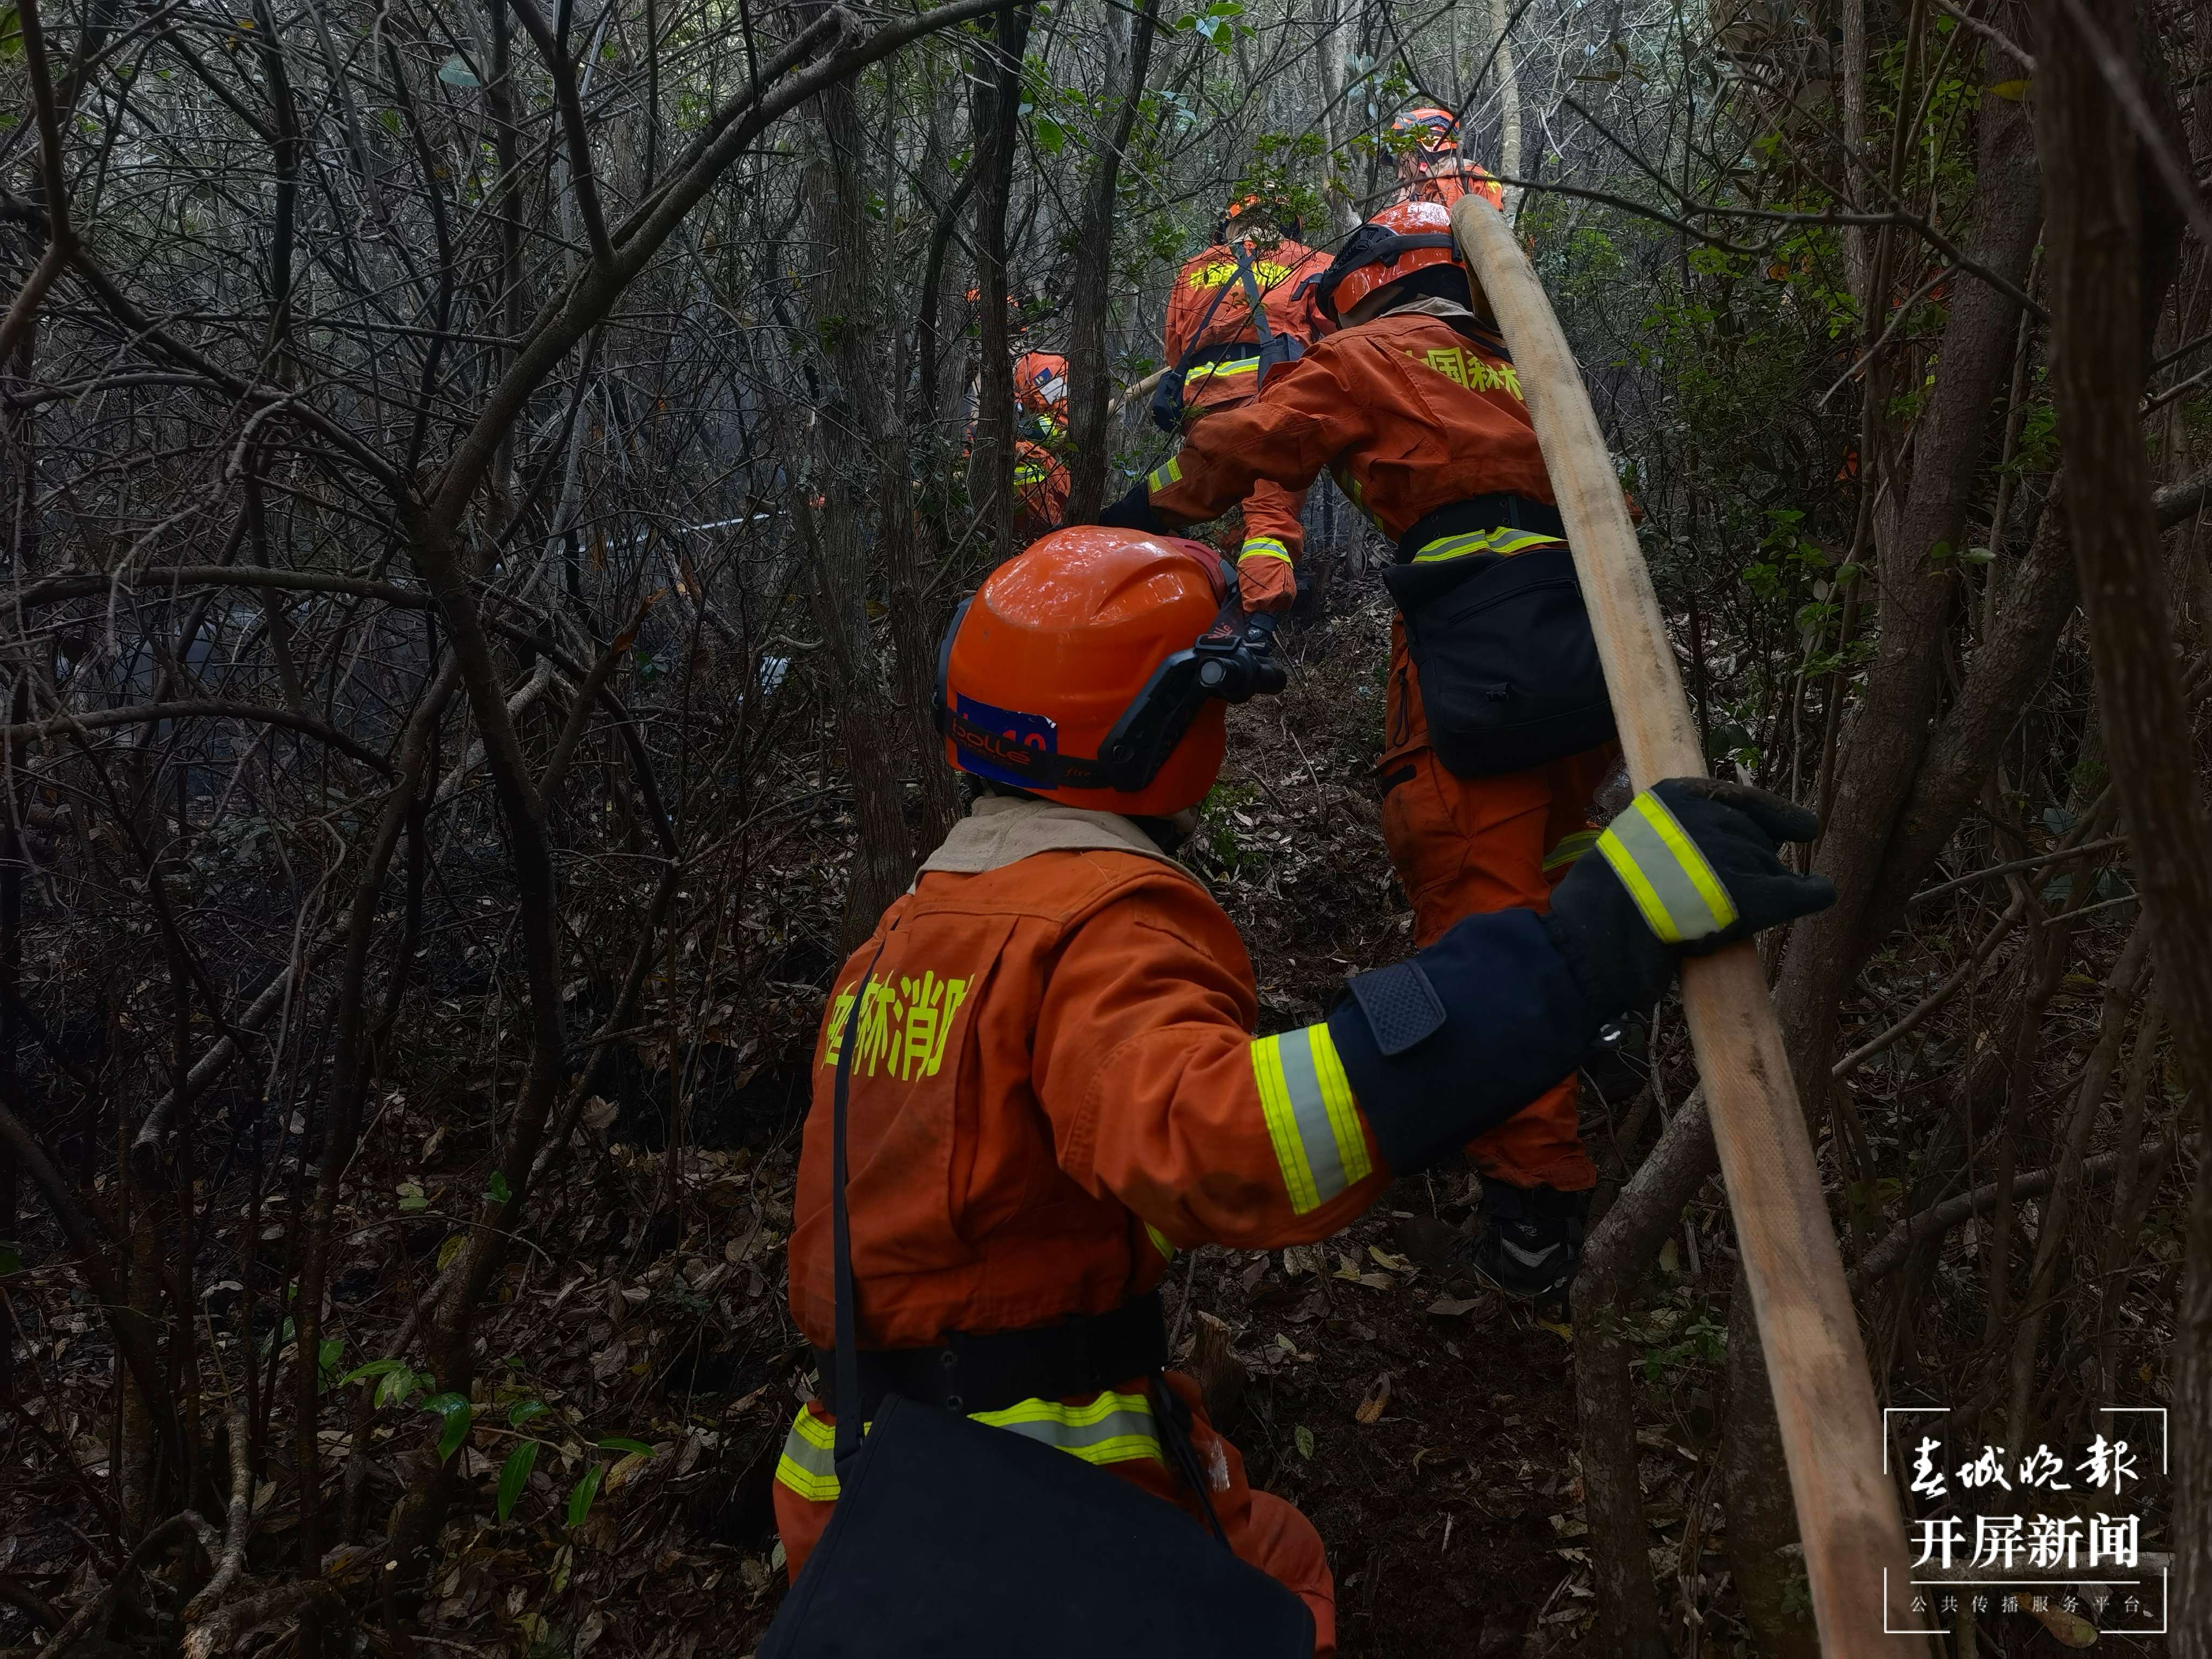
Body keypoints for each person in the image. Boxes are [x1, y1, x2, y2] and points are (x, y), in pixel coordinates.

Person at [772, 525, 1834, 1652]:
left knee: (1275, 1548)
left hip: (863, 1485)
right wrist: (1569, 954)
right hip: (1028, 1501)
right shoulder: (1090, 921)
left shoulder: (910, 932)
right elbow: (1228, 1140)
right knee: (1286, 1613)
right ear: (1160, 728)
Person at [1097, 199, 1629, 1298]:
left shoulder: (1369, 354)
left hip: (1474, 656)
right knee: (1564, 852)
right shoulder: (1525, 366)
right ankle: (1602, 1033)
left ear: (1361, 285)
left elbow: (1252, 442)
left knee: (1478, 895)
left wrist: (1135, 508)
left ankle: (1533, 1202)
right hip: (1591, 647)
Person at [1156, 194, 1331, 614]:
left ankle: (1220, 606)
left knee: (1229, 506)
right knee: (1270, 515)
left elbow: (1175, 349)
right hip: (1272, 399)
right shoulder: (1310, 262)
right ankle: (1260, 622)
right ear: (1287, 223)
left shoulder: (1194, 268)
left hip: (1203, 407)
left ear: (1230, 224)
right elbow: (1337, 334)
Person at [1389, 105, 1507, 211]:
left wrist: (1404, 210)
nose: (1400, 175)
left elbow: (1442, 227)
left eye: (1403, 163)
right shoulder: (1469, 173)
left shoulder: (1449, 184)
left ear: (1422, 152)